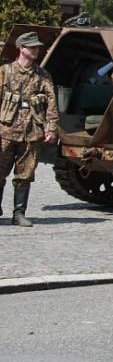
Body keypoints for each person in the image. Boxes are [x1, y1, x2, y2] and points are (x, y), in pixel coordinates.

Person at [0, 32, 58, 227]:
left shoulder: (43, 75)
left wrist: (51, 129)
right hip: (5, 132)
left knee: (25, 175)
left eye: (37, 47)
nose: (36, 50)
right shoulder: (5, 72)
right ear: (21, 48)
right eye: (32, 47)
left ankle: (18, 214)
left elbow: (51, 104)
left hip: (32, 132)